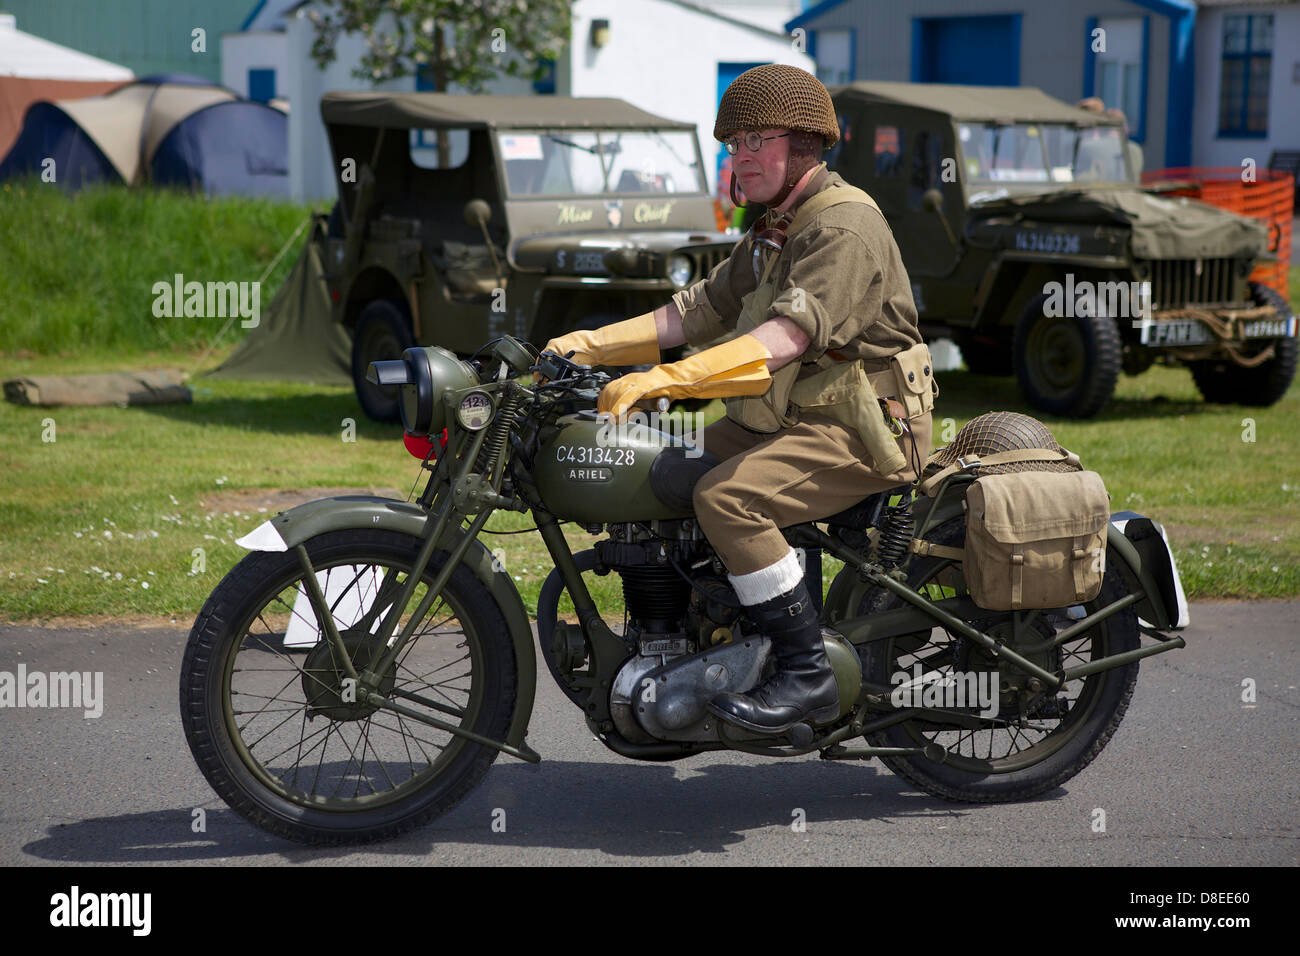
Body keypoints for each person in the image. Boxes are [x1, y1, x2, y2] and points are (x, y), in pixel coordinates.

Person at [543, 65, 934, 736]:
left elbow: (783, 339)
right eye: (732, 143)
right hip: (789, 419)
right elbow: (698, 310)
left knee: (730, 500)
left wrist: (667, 381)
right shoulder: (778, 226)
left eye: (756, 139)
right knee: (660, 472)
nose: (739, 155)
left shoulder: (840, 229)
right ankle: (712, 625)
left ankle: (807, 674)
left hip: (862, 427)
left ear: (805, 144)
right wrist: (589, 344)